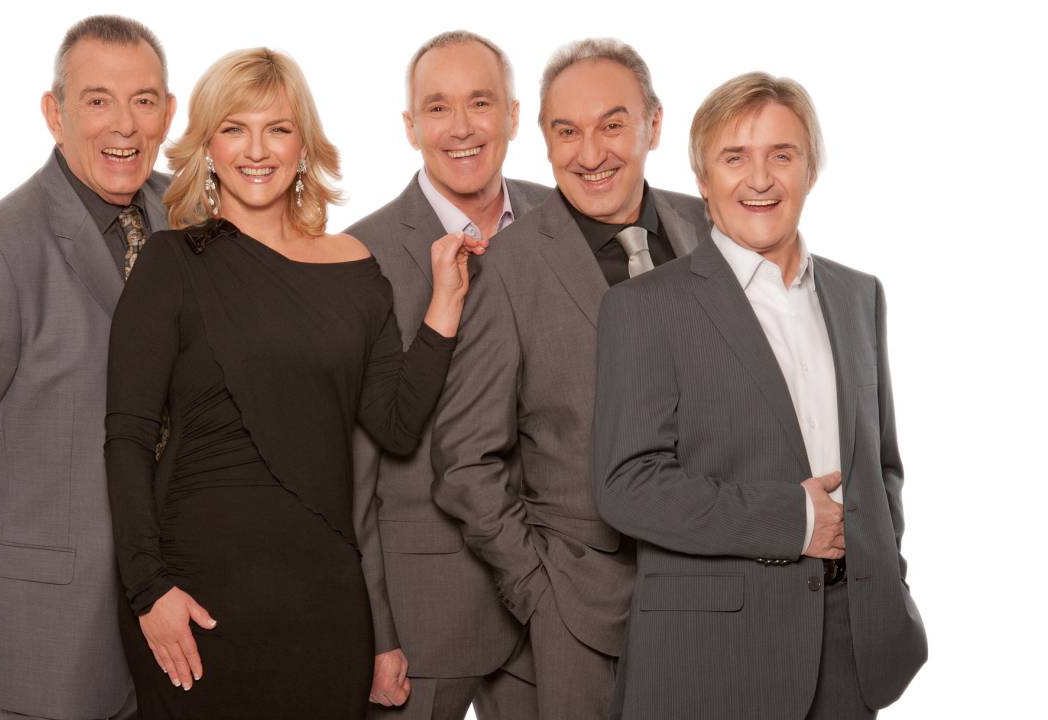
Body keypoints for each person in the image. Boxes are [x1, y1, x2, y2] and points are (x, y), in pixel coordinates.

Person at [104, 48, 484, 719]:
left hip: (324, 601)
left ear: (303, 145)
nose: (257, 150)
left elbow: (396, 425)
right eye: (235, 128)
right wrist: (147, 590)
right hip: (197, 600)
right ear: (208, 147)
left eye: (277, 129)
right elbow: (127, 436)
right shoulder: (171, 262)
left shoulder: (355, 265)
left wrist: (445, 303)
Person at [592, 72, 927, 719]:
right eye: (735, 157)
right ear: (702, 178)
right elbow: (626, 486)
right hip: (718, 658)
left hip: (853, 649)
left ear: (810, 169)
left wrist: (888, 581)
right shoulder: (644, 307)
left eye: (782, 154)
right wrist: (793, 519)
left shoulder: (859, 295)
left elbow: (882, 465)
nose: (761, 179)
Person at [0, 15, 175, 720]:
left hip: (175, 630)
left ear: (168, 113)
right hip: (49, 635)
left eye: (143, 100)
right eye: (98, 100)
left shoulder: (187, 214)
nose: (125, 125)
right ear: (55, 113)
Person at [430, 38, 710, 719]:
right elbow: (465, 460)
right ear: (544, 139)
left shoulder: (710, 230)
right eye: (566, 131)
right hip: (582, 614)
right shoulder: (509, 266)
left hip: (719, 594)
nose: (590, 154)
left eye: (612, 125)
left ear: (654, 125)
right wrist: (538, 589)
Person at [346, 30, 549, 720]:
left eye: (480, 103)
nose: (461, 128)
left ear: (513, 116)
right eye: (438, 108)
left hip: (553, 604)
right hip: (421, 615)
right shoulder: (359, 255)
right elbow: (353, 474)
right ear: (410, 127)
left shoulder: (563, 223)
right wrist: (375, 631)